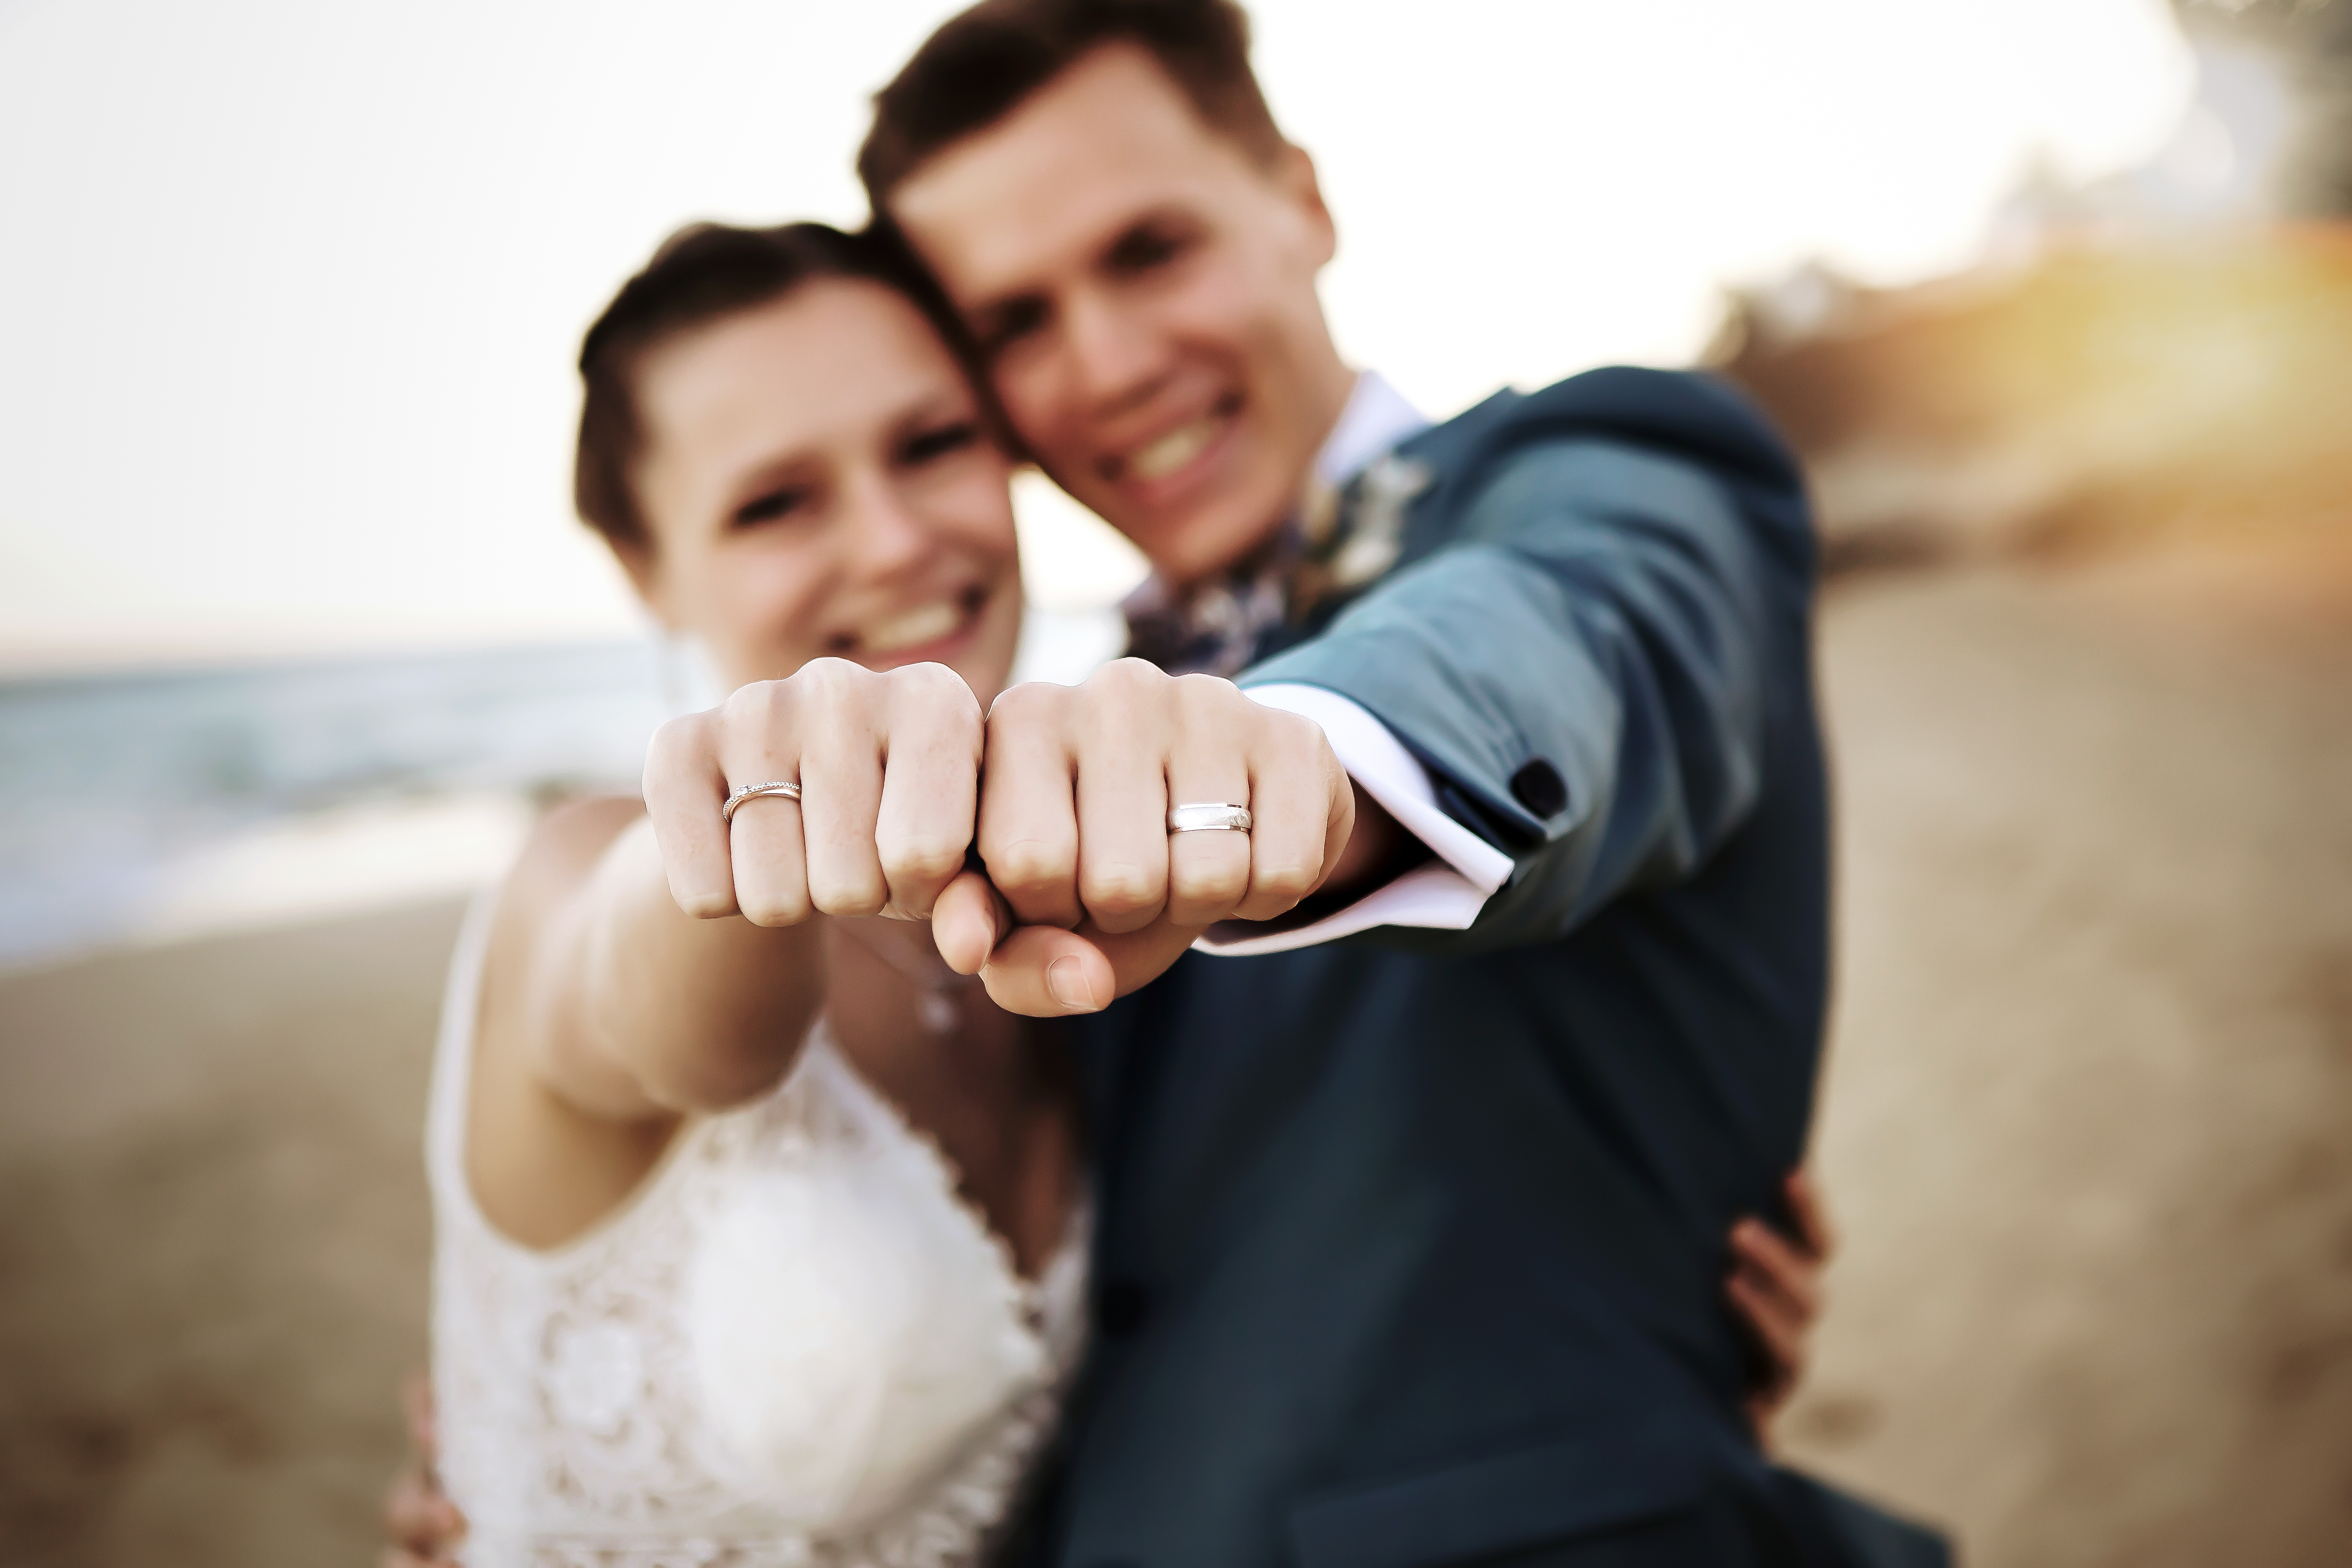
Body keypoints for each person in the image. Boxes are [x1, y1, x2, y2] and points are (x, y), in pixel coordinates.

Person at [389, 217, 1831, 1567]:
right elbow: (665, 1012)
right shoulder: (587, 879)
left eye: (933, 444)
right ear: (643, 568)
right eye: (774, 504)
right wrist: (720, 824)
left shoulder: (1066, 897)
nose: (892, 541)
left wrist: (1634, 1328)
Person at [856, 1, 1955, 1564]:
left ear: (1300, 200)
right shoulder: (1056, 738)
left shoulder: (1600, 473)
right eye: (1015, 323)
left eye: (1150, 251)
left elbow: (1563, 641)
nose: (1107, 366)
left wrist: (1316, 764)